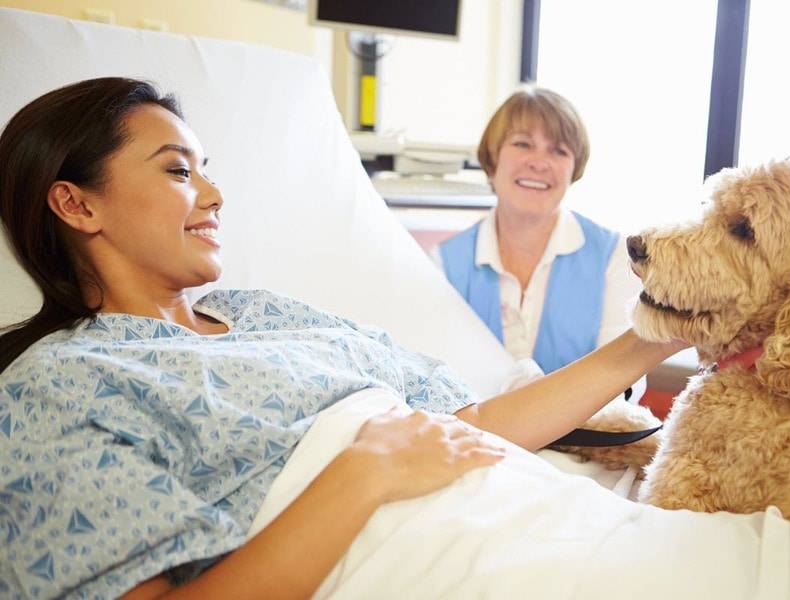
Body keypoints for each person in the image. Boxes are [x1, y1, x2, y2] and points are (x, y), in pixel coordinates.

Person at [0, 78, 685, 599]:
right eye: (179, 170)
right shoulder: (57, 384)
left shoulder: (261, 313)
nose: (213, 194)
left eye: (207, 169)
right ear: (76, 203)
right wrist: (365, 471)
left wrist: (657, 336)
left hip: (543, 513)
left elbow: (470, 424)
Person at [435, 88, 642, 389]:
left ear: (575, 168)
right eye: (523, 144)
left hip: (587, 435)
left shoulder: (616, 257)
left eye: (559, 150)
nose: (539, 162)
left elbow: (625, 382)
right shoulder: (442, 264)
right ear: (492, 159)